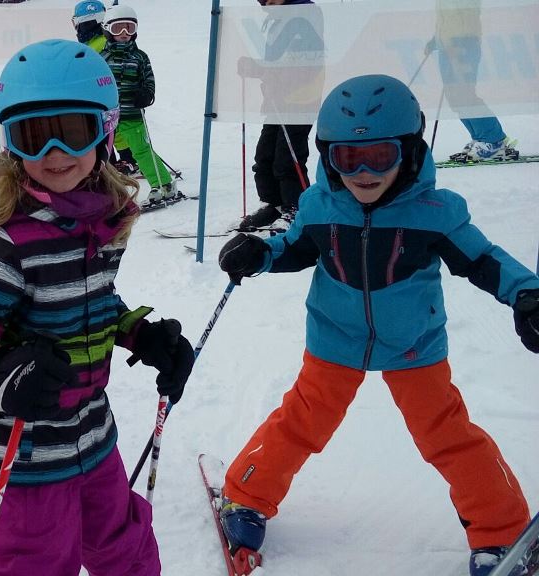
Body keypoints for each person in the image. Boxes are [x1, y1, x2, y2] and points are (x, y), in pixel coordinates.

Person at [217, 74, 538, 576]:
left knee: (446, 434)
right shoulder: (319, 206)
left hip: (413, 343)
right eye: (348, 158)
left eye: (380, 156)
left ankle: (501, 530)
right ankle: (246, 494)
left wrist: (527, 295)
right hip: (334, 337)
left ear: (409, 152)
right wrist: (260, 253)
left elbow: (484, 260)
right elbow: (294, 248)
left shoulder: (434, 213)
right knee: (302, 421)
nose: (363, 173)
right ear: (328, 157)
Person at [0, 39, 196, 575]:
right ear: (11, 143)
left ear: (105, 128)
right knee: (37, 563)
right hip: (21, 451)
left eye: (71, 131)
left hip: (93, 434)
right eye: (33, 136)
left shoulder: (101, 217)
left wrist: (139, 334)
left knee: (124, 548)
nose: (54, 153)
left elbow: (91, 298)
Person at [236, 0, 322, 233]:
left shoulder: (304, 16)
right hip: (279, 101)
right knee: (264, 156)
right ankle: (274, 205)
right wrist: (259, 68)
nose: (267, 4)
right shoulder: (280, 18)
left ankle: (295, 208)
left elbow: (305, 62)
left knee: (287, 159)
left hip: (300, 100)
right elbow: (276, 61)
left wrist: (264, 70)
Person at [100, 4, 179, 209]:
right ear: (107, 29)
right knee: (101, 154)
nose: (124, 33)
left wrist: (146, 94)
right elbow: (96, 82)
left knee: (141, 150)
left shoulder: (139, 56)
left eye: (129, 28)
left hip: (132, 113)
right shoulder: (102, 58)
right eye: (118, 28)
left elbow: (149, 80)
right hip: (108, 115)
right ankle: (102, 192)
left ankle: (163, 185)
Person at [427, 0, 519, 162]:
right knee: (455, 98)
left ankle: (494, 140)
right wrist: (437, 39)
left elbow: (469, 17)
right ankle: (480, 138)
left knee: (465, 95)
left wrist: (459, 42)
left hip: (462, 46)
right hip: (447, 47)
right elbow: (447, 20)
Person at [72, 0, 140, 177]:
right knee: (112, 130)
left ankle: (123, 161)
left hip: (108, 95)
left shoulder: (99, 44)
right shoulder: (95, 43)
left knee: (109, 129)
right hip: (104, 95)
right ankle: (124, 159)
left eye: (77, 22)